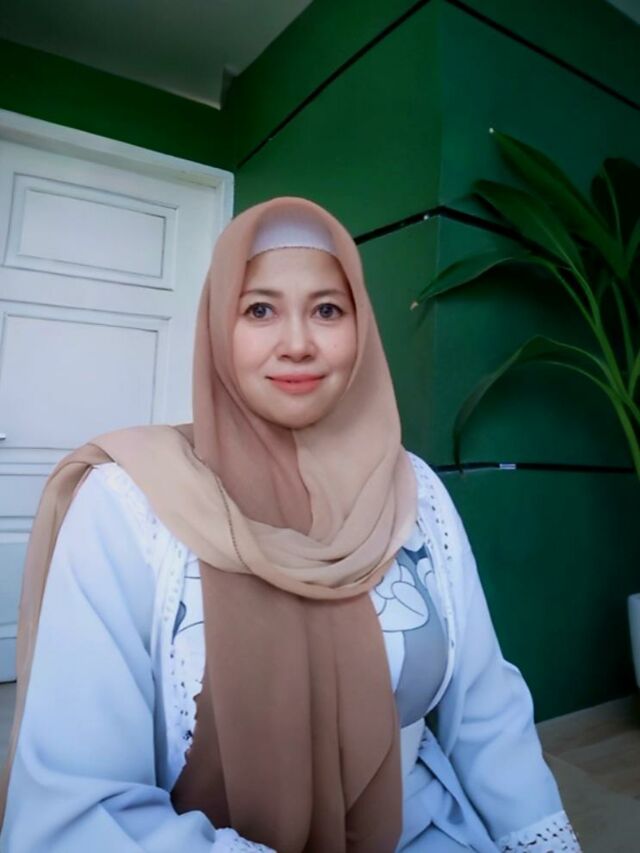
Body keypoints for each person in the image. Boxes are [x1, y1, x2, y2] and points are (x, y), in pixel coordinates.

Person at [0, 197, 580, 852]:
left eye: (327, 309)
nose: (298, 343)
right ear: (218, 329)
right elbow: (79, 813)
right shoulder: (128, 502)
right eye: (259, 309)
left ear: (362, 328)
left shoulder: (414, 490)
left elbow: (486, 709)